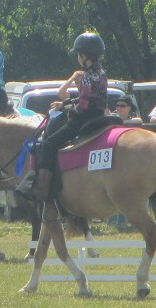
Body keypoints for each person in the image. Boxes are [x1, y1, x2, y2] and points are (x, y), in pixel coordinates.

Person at [19, 32, 108, 202]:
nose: (78, 58)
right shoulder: (102, 73)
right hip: (99, 115)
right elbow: (92, 98)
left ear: (83, 55)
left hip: (85, 118)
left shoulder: (87, 76)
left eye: (78, 54)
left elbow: (82, 105)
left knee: (50, 143)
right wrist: (66, 103)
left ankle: (42, 188)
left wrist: (68, 111)